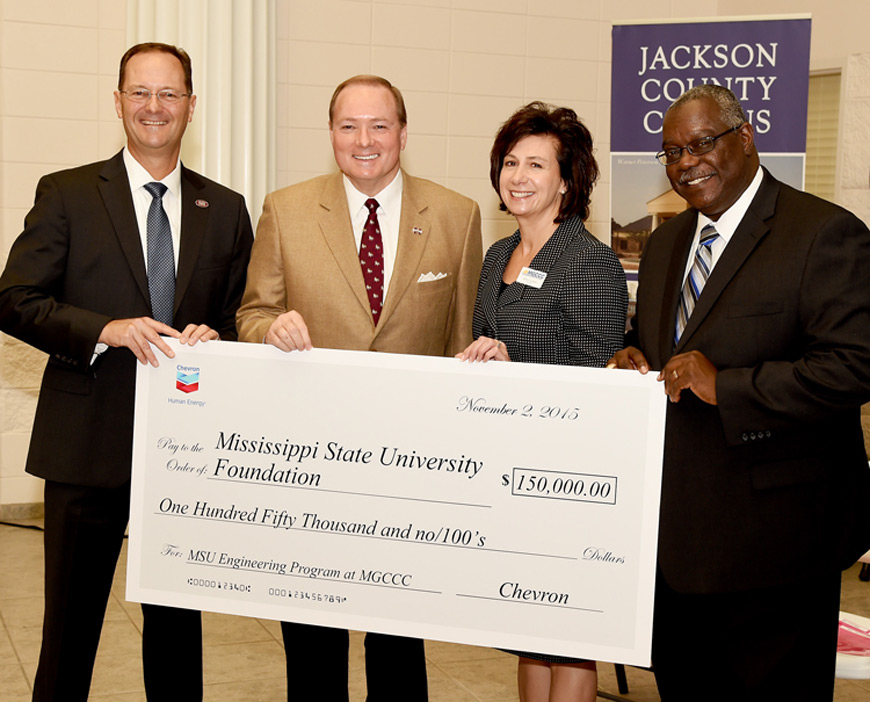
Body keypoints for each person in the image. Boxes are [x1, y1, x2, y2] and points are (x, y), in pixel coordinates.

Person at [0, 43, 254, 701]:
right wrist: (104, 330)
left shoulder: (223, 208)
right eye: (140, 92)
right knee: (71, 631)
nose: (154, 107)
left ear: (191, 107)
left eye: (169, 94)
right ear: (117, 102)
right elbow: (14, 299)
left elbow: (239, 315)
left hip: (185, 452)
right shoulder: (68, 194)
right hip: (85, 443)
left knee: (177, 629)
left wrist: (216, 336)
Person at [607, 84, 870, 701]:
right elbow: (660, 342)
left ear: (745, 136)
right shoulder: (668, 241)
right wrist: (630, 357)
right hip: (676, 546)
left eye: (701, 143)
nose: (686, 162)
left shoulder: (823, 233)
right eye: (671, 152)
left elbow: (854, 366)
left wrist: (727, 386)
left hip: (777, 546)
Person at [236, 74, 482, 701]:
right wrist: (271, 328)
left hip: (411, 468)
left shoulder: (457, 216)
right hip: (308, 464)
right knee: (314, 642)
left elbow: (462, 340)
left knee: (398, 641)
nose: (364, 140)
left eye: (379, 125)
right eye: (349, 126)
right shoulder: (285, 209)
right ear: (331, 134)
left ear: (403, 132)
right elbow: (250, 315)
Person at [458, 103, 627, 700]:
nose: (519, 176)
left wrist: (518, 366)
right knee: (527, 628)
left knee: (568, 628)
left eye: (536, 163)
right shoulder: (495, 256)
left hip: (570, 478)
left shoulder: (588, 259)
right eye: (510, 162)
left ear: (567, 178)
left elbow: (603, 378)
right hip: (508, 471)